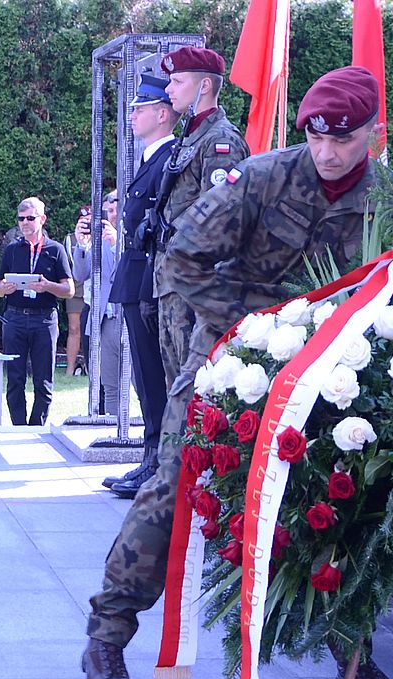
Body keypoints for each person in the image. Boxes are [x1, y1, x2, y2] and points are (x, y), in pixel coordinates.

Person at [81, 66, 393, 679]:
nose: (327, 152)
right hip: (228, 360)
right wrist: (250, 328)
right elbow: (183, 256)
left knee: (338, 498)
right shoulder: (262, 179)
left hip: (331, 377)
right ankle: (107, 635)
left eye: (343, 139)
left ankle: (351, 648)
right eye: (316, 136)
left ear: (374, 133)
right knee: (174, 485)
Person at [153, 47, 249, 386]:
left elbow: (220, 217)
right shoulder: (190, 136)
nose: (169, 89)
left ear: (204, 86)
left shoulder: (220, 140)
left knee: (197, 386)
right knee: (175, 386)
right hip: (173, 279)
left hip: (197, 284)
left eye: (178, 81)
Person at [105, 73, 179, 500]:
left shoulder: (169, 158)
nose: (132, 115)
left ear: (162, 114)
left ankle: (156, 463)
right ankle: (151, 457)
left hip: (150, 278)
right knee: (145, 376)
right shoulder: (154, 158)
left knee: (153, 376)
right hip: (137, 276)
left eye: (140, 108)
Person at [0, 197, 75, 426]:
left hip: (44, 320)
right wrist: (4, 288)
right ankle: (18, 428)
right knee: (15, 379)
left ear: (42, 219)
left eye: (30, 218)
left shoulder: (55, 250)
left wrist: (48, 286)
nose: (25, 223)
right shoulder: (12, 250)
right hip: (15, 318)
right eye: (21, 219)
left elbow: (69, 290)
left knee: (43, 380)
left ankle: (37, 427)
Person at [71, 190, 121, 416]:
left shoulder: (131, 235)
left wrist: (116, 244)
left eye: (115, 210)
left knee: (138, 382)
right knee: (106, 383)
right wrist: (82, 246)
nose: (111, 215)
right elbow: (80, 274)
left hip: (126, 315)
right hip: (102, 317)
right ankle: (108, 425)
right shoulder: (98, 241)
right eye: (107, 211)